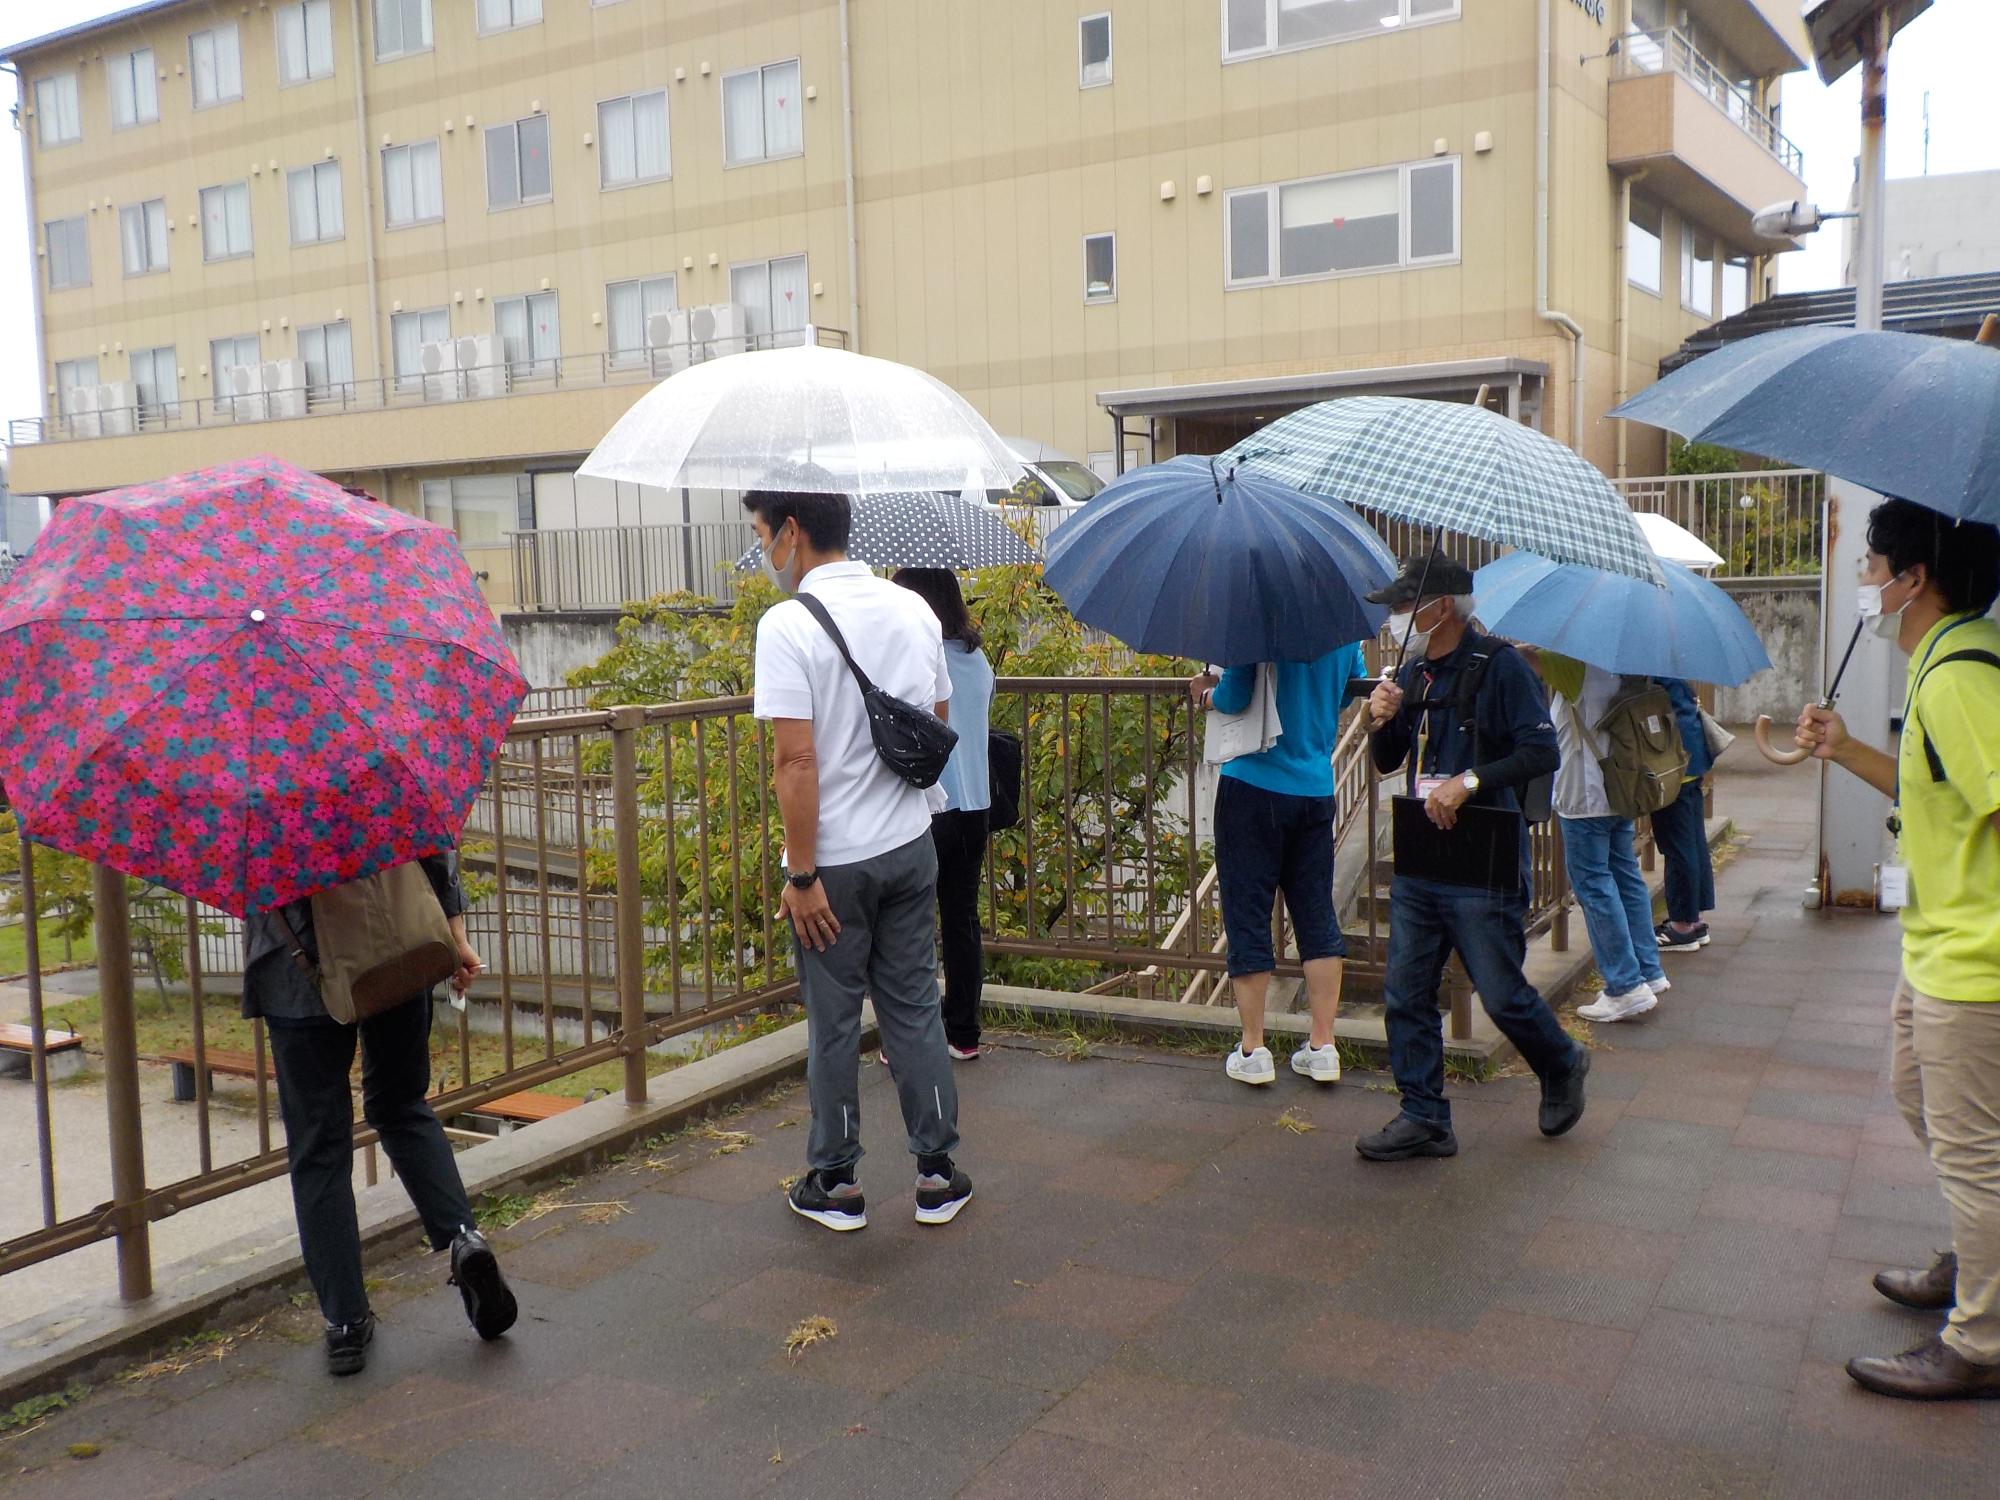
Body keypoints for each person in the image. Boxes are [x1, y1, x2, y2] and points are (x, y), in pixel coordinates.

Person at [1793, 498, 2000, 1402]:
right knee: (1924, 1103)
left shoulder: (1958, 676)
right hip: (1938, 947)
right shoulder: (1940, 664)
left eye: (1873, 566)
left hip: (1977, 960)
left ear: (1915, 579)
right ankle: (1978, 1257)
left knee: (1972, 1149)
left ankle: (1981, 1340)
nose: (1864, 582)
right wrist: (1845, 751)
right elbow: (1932, 788)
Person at [747, 486, 973, 1233]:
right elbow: (936, 721)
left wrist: (802, 874)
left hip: (833, 864)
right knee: (913, 1007)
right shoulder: (913, 607)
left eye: (761, 535)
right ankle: (938, 1174)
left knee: (836, 1019)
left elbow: (795, 761)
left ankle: (837, 1182)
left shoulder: (787, 625)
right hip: (911, 844)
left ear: (791, 532)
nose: (763, 553)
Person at [244, 852, 517, 1377]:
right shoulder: (371, 772)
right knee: (401, 1106)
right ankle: (463, 1237)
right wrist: (455, 937)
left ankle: (345, 1324)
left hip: (293, 971)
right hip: (391, 949)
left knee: (319, 1146)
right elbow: (433, 847)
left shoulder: (239, 783)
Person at [1357, 552, 1588, 1160]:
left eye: (1406, 607)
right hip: (1422, 853)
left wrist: (1473, 780)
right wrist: (1380, 720)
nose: (1397, 620)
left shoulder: (1501, 665)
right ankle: (1423, 1114)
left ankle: (1562, 1062)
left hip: (1482, 856)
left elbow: (1542, 753)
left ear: (1441, 608)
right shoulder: (1409, 677)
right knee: (1406, 991)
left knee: (1500, 990)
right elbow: (1388, 761)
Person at [1190, 639, 1368, 1087]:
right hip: (1314, 787)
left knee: (1248, 911)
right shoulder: (1339, 626)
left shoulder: (1258, 617)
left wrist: (1203, 693)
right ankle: (1323, 1045)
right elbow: (1351, 689)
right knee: (1314, 911)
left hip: (1252, 784)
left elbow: (1234, 695)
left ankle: (1253, 1048)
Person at [893, 567, 994, 1061]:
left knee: (907, 921)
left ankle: (905, 1037)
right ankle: (964, 1033)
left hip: (929, 805)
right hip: (976, 803)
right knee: (961, 918)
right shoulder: (978, 660)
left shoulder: (918, 660)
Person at [1541, 653, 1667, 1024]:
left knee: (1594, 885)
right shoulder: (1633, 660)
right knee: (1626, 877)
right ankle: (1647, 970)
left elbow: (1522, 659)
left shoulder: (1571, 662)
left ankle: (1624, 986)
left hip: (1585, 793)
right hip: (1622, 786)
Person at [1651, 677, 1717, 952]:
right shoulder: (1674, 660)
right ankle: (1694, 919)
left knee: (1677, 847)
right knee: (1692, 843)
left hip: (1674, 765)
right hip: (1691, 762)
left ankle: (1681, 926)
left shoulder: (1653, 667)